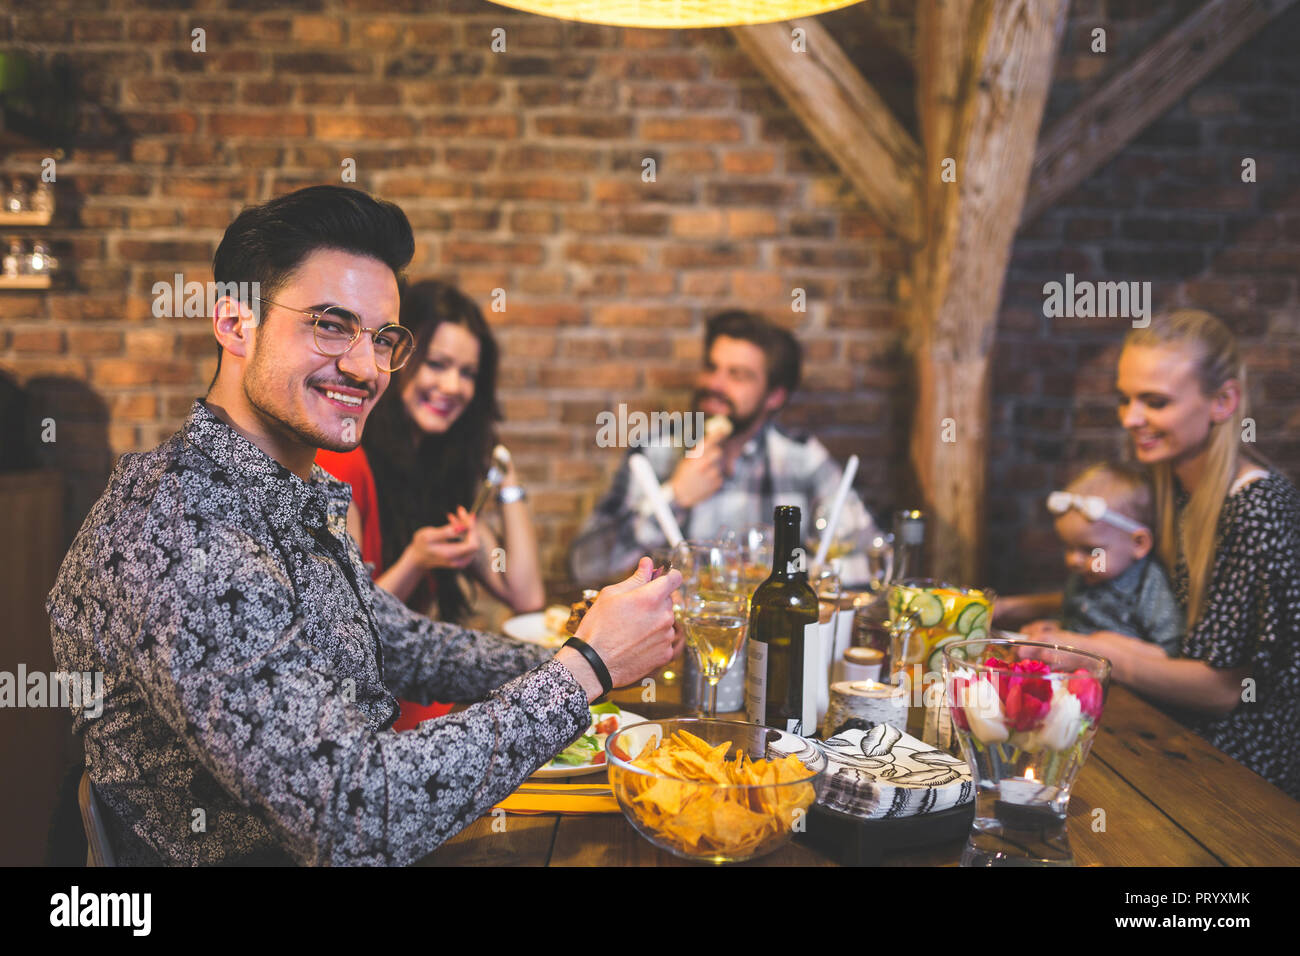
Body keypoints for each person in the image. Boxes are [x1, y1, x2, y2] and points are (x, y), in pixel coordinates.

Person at [46, 185, 681, 865]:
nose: (365, 366)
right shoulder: (183, 531)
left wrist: (598, 650)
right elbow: (355, 814)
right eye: (329, 324)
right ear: (235, 324)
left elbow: (400, 640)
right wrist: (585, 668)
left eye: (382, 338)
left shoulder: (280, 494)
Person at [1020, 310, 1299, 799]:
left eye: (1155, 401)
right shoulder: (1174, 482)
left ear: (1223, 401)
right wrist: (1020, 608)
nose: (1130, 418)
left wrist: (1085, 650)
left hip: (1240, 769)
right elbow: (1137, 593)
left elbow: (1221, 690)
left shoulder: (1256, 506)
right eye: (1125, 398)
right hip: (1168, 729)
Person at [315, 281, 544, 729]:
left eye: (468, 373)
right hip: (367, 717)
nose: (452, 386)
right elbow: (346, 631)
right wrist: (417, 561)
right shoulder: (345, 460)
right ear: (398, 362)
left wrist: (506, 477)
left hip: (427, 704)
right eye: (437, 365)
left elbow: (527, 596)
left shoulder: (442, 469)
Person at [569, 310, 880, 586]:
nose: (715, 384)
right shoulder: (654, 450)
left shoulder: (803, 458)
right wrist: (675, 497)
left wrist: (781, 578)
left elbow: (872, 562)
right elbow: (586, 567)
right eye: (711, 367)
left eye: (738, 375)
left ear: (774, 396)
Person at [996, 461, 1183, 657]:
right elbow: (1074, 618)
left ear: (1139, 543)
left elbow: (1168, 651)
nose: (1074, 560)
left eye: (1090, 550)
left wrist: (1100, 645)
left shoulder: (1148, 584)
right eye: (1069, 547)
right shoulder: (1086, 575)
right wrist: (1055, 628)